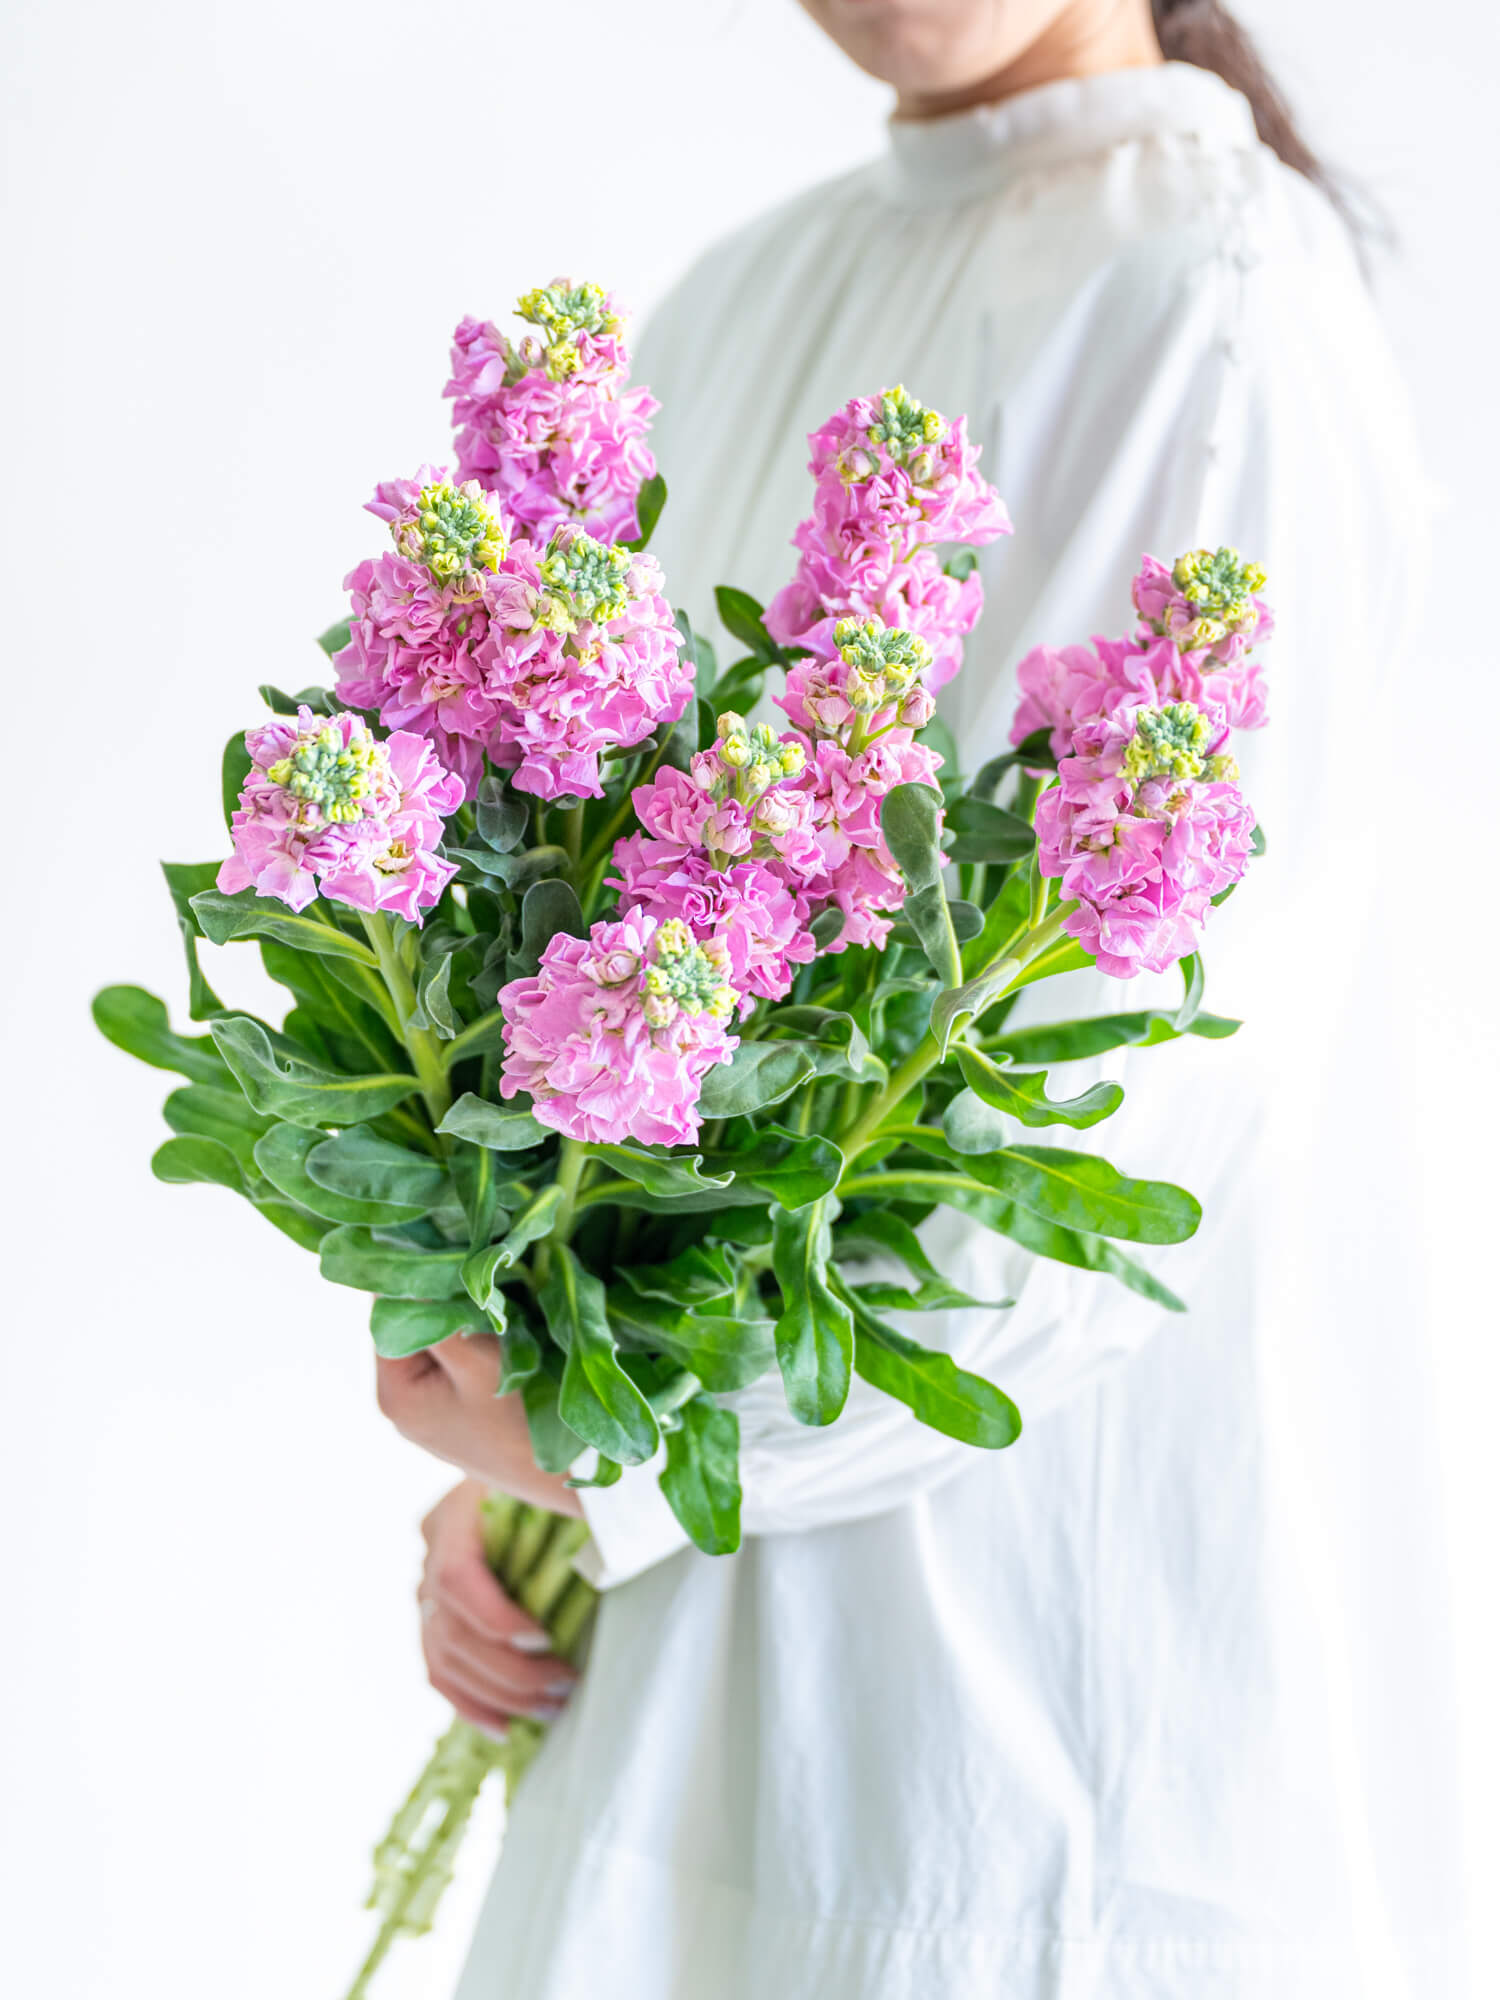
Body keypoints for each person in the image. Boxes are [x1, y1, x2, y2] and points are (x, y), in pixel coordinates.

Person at [375, 3, 1467, 1993]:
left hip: (1024, 1722)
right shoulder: (737, 297)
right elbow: (584, 972)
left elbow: (1114, 1129)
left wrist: (606, 1452)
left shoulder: (1215, 306)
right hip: (667, 1661)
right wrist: (522, 1465)